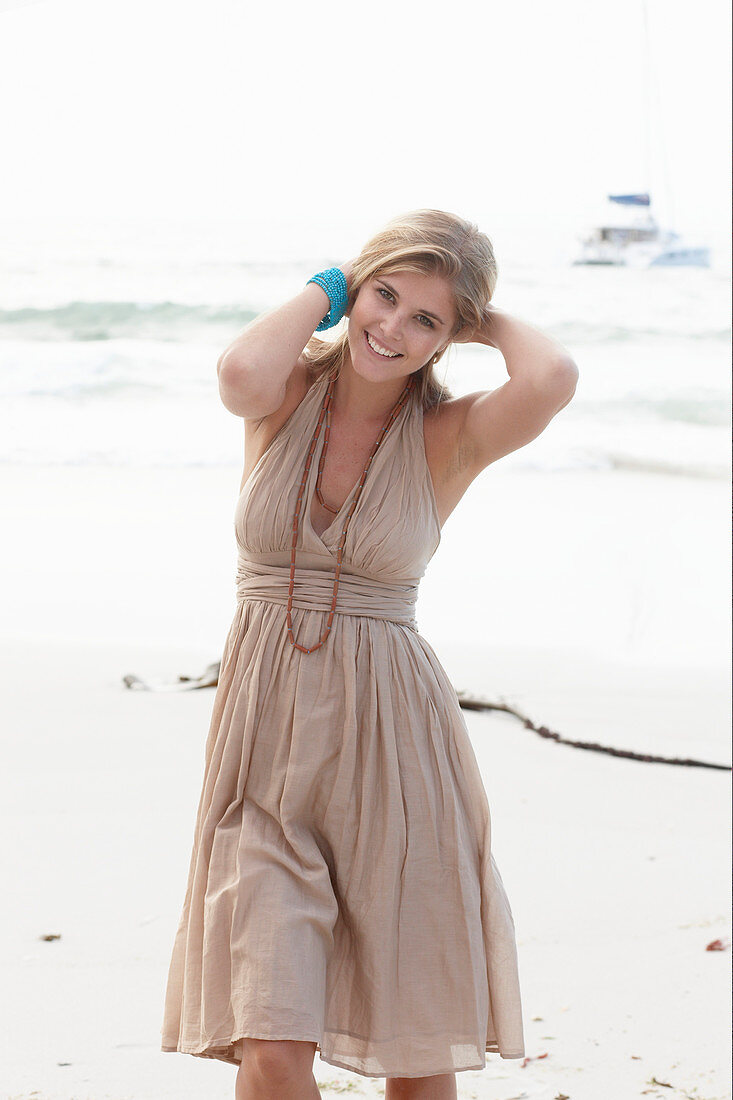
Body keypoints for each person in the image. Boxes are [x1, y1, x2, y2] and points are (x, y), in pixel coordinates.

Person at [160, 208, 578, 1100]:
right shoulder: (281, 400)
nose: (392, 328)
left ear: (449, 338)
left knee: (416, 1051)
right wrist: (331, 285)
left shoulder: (449, 434)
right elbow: (237, 372)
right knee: (269, 1042)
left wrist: (479, 314)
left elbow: (551, 376)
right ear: (358, 289)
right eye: (384, 297)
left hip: (395, 749)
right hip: (264, 752)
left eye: (426, 320)